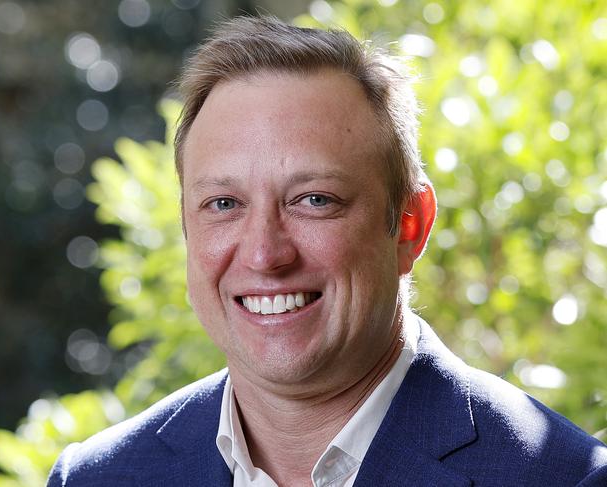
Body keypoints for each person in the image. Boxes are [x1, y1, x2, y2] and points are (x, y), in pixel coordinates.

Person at [47, 16, 607, 487]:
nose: (265, 254)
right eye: (223, 204)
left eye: (314, 200)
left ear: (410, 225)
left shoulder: (563, 476)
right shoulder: (99, 477)